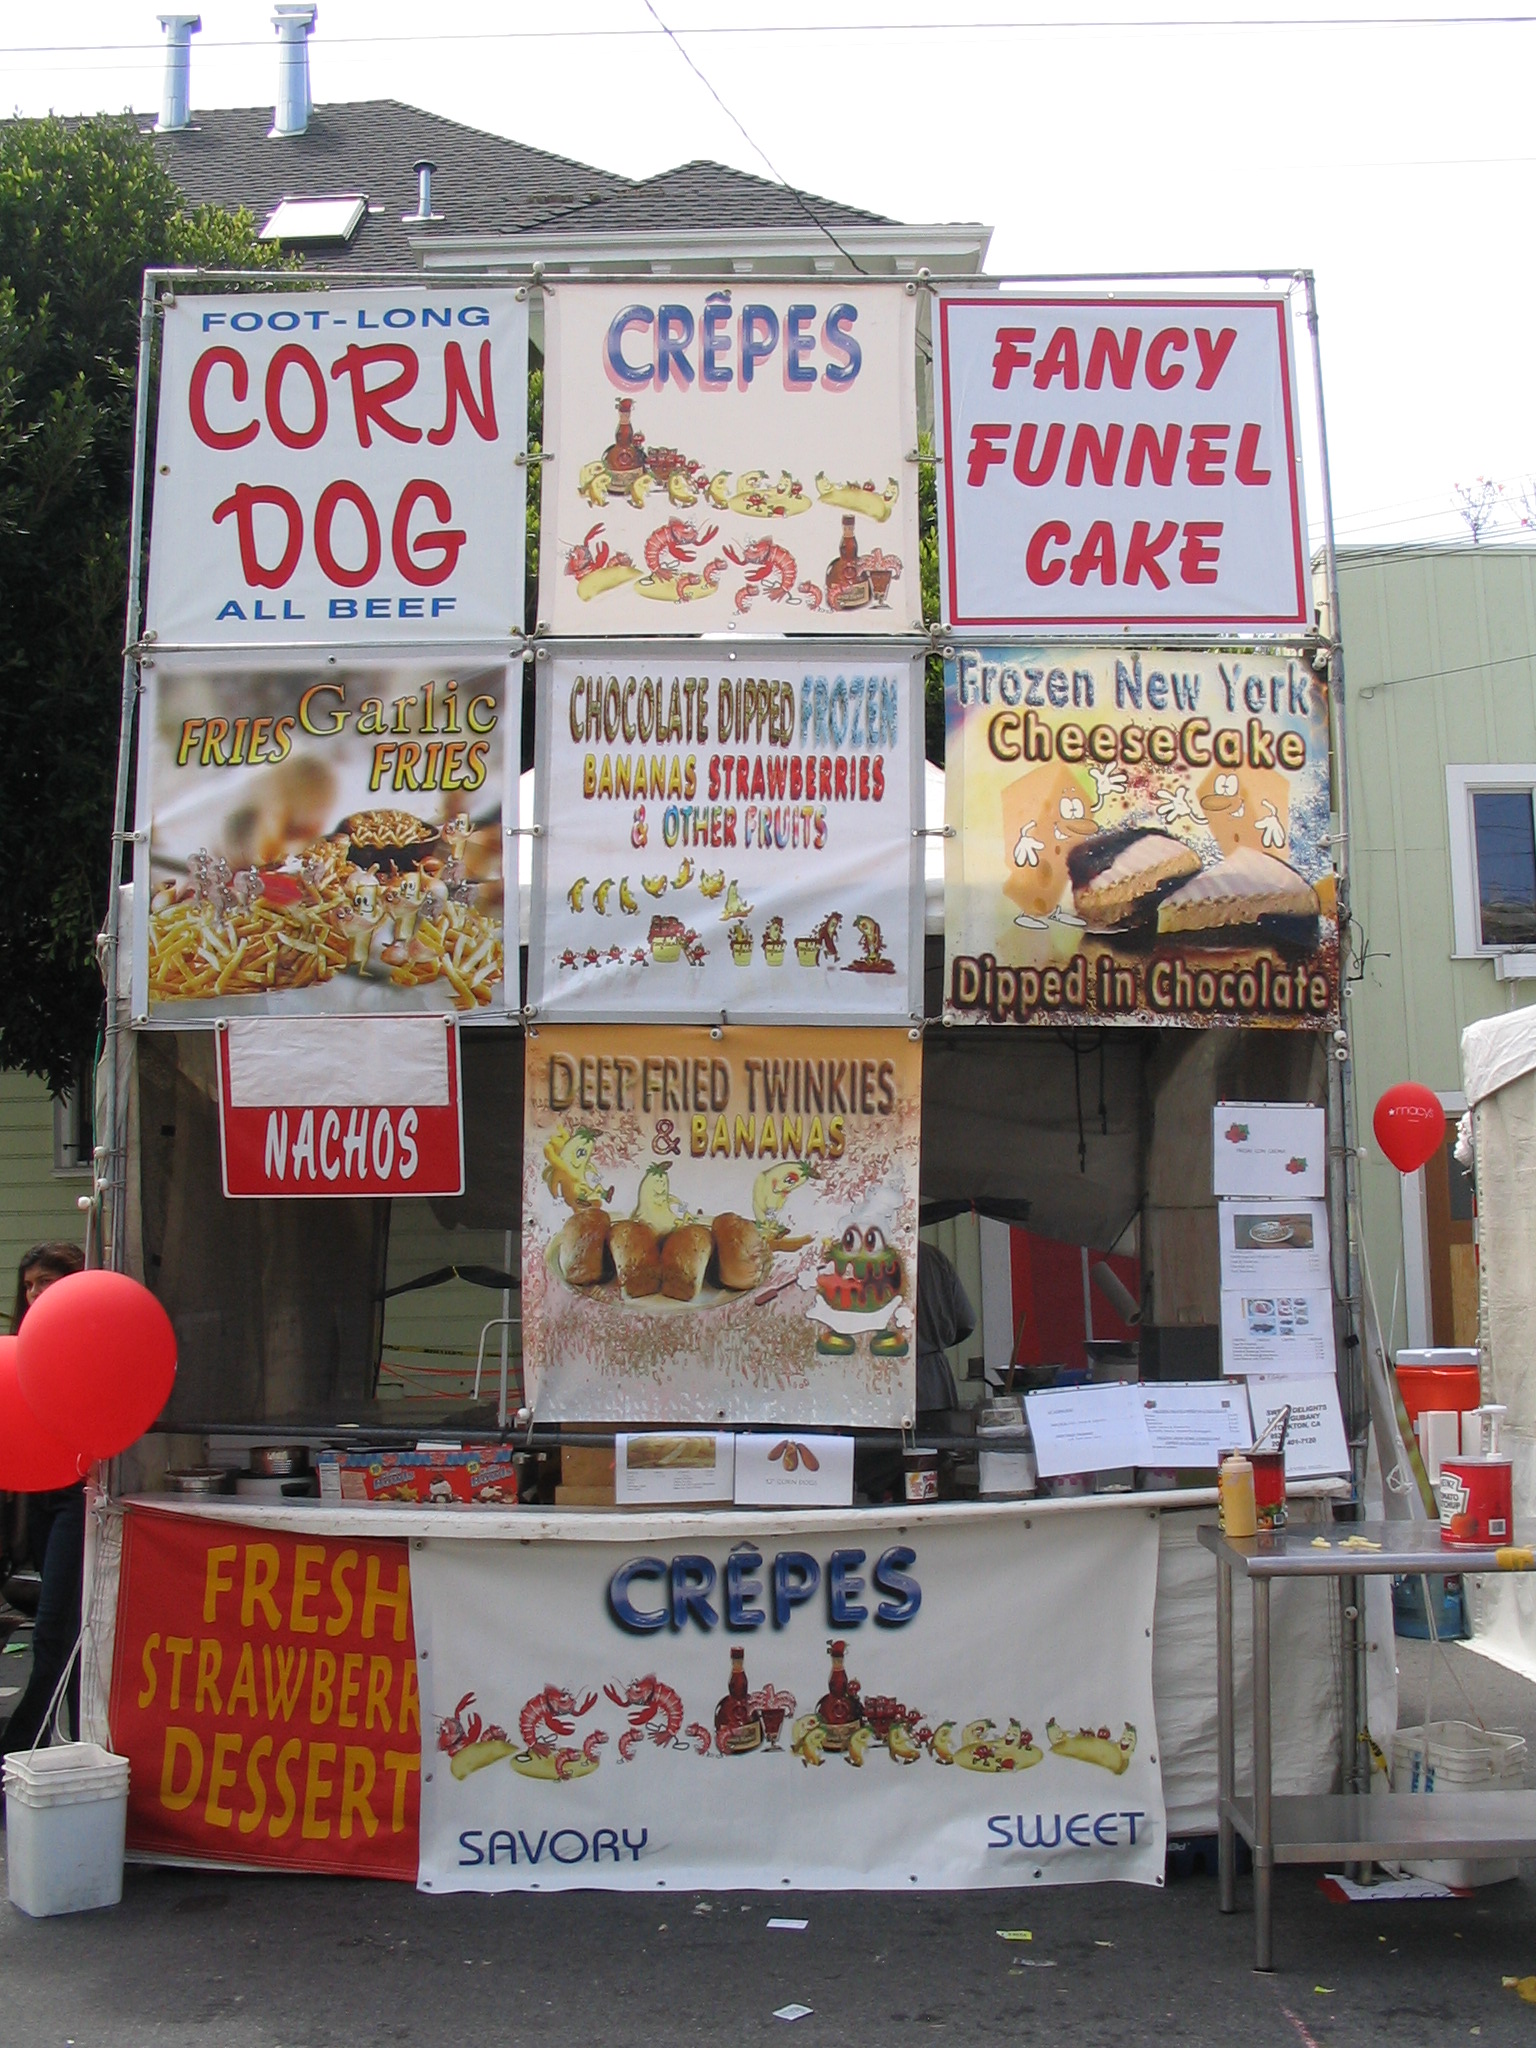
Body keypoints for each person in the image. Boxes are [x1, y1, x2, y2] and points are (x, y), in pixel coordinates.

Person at [0, 1242, 85, 1754]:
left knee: (55, 1629)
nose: (34, 1294)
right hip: (37, 1494)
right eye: (29, 1285)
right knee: (61, 1631)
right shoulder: (25, 1345)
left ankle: (20, 1747)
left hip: (79, 1492)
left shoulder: (88, 1338)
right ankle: (69, 1745)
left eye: (46, 1283)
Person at [916, 1239, 976, 1430]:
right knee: (933, 1447)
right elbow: (966, 1321)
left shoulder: (852, 1254)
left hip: (870, 1389)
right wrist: (933, 1341)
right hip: (932, 1388)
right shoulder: (933, 1257)